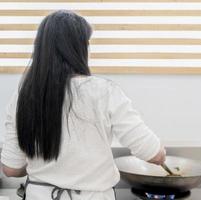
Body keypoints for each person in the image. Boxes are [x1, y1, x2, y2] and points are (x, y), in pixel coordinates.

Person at [1, 10, 166, 200]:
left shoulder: (24, 95)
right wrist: (161, 154)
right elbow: (152, 153)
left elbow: (11, 169)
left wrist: (44, 169)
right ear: (79, 48)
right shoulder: (104, 91)